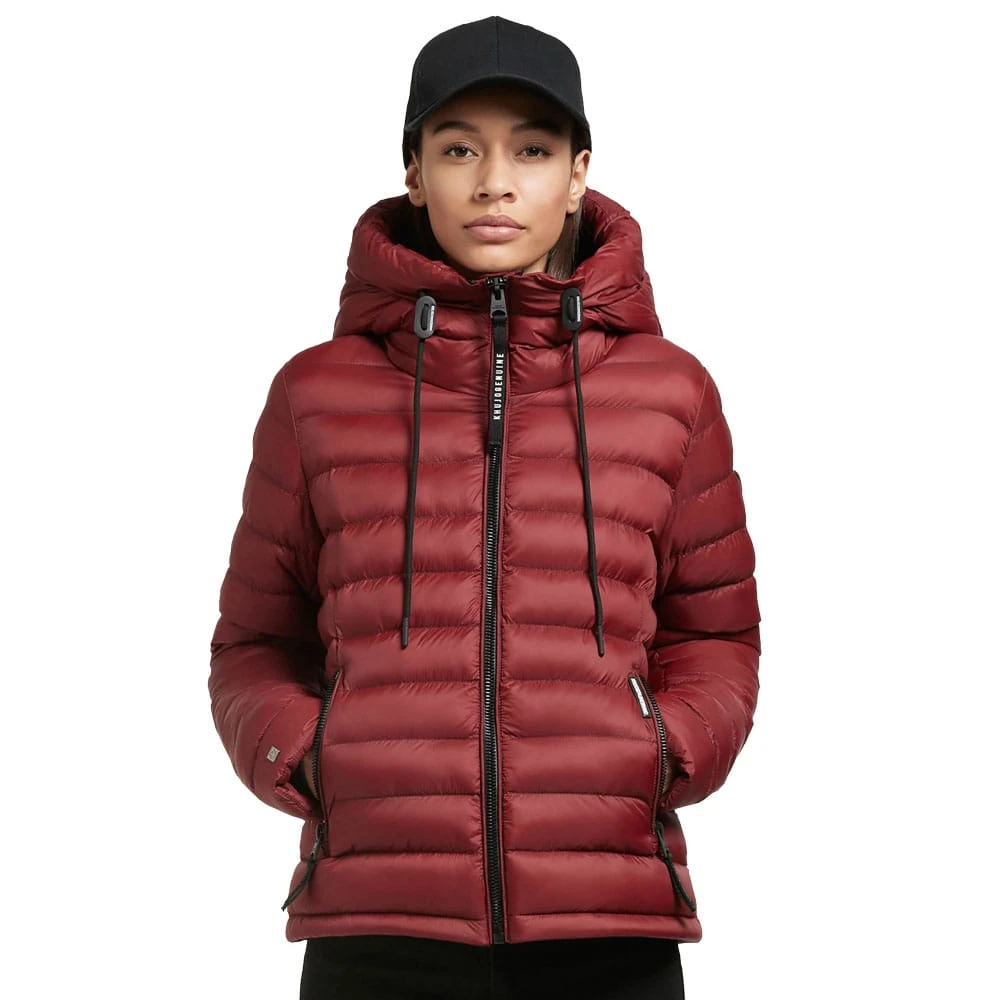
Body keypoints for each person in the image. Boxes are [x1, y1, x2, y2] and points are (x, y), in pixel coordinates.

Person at [207, 14, 761, 1000]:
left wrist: (661, 752)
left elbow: (716, 634)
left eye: (532, 150)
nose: (495, 181)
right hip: (377, 925)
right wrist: (313, 756)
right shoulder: (315, 394)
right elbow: (254, 641)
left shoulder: (670, 392)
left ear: (578, 175)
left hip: (608, 921)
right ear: (414, 173)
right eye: (459, 148)